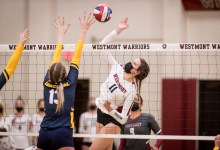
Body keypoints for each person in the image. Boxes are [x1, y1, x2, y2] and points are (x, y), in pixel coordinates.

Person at [89, 18, 150, 150]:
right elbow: (101, 46)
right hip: (101, 112)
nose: (130, 62)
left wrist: (111, 109)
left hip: (114, 120)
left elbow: (123, 119)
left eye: (134, 63)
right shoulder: (117, 67)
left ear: (136, 72)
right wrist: (119, 30)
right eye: (133, 60)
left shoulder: (131, 90)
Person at [37, 13, 95, 150]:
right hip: (63, 132)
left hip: (44, 132)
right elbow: (77, 55)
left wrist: (60, 35)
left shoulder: (46, 82)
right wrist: (83, 31)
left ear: (50, 74)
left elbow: (55, 58)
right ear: (65, 74)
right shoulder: (70, 82)